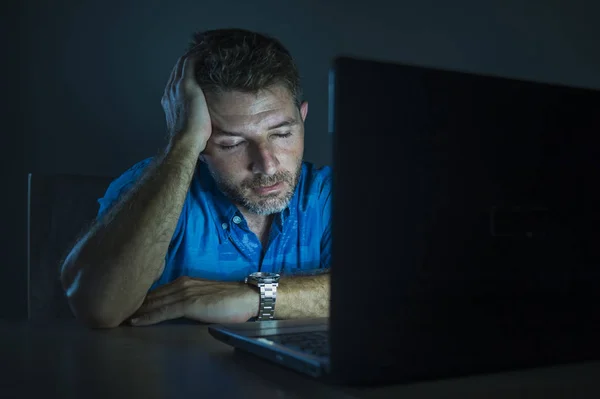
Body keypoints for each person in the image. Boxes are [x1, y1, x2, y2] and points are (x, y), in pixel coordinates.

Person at [60, 28, 332, 329]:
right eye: (232, 143)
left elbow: (384, 290)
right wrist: (183, 142)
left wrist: (252, 297)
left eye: (282, 133)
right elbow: (98, 307)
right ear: (200, 139)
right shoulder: (145, 189)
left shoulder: (329, 195)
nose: (266, 165)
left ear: (303, 117)